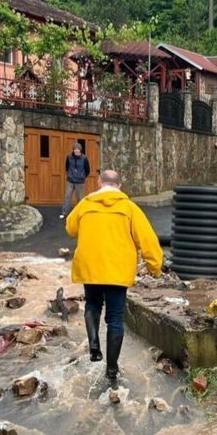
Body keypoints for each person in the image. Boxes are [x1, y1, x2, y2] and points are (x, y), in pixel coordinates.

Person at [65, 169, 162, 388]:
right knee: (116, 318)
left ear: (99, 183)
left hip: (90, 268)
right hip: (117, 271)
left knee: (92, 304)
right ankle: (111, 370)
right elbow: (147, 239)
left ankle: (93, 345)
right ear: (119, 185)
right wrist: (155, 267)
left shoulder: (86, 203)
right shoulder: (129, 208)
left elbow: (70, 228)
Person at [60, 142, 90, 220]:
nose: (76, 151)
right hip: (70, 180)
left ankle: (80, 214)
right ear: (73, 150)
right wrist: (69, 174)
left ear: (80, 150)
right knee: (67, 196)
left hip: (80, 182)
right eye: (75, 149)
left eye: (78, 149)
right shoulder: (69, 157)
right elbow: (67, 167)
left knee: (80, 198)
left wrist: (82, 176)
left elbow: (87, 170)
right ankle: (64, 213)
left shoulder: (84, 158)